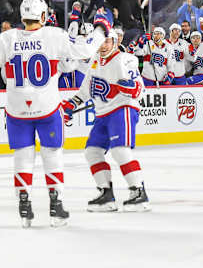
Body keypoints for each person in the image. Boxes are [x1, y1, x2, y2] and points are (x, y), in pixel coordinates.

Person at [0, 0, 111, 228]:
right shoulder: (54, 35)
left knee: (22, 156)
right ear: (42, 16)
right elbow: (85, 50)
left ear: (21, 16)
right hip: (46, 107)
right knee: (52, 154)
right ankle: (56, 205)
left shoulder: (7, 38)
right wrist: (101, 27)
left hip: (17, 109)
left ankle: (24, 203)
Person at [62, 30, 150, 212]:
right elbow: (86, 90)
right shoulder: (95, 61)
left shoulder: (125, 59)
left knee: (120, 151)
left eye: (107, 42)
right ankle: (106, 194)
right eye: (101, 42)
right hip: (102, 114)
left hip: (122, 109)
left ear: (115, 42)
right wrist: (71, 104)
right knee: (92, 152)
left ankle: (139, 193)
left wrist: (131, 88)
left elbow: (139, 88)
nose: (103, 46)